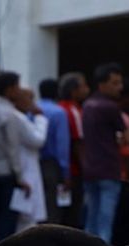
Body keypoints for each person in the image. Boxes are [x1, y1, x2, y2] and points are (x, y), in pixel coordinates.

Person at [0, 71, 30, 243]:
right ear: (9, 89)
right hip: (6, 173)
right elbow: (12, 148)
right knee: (6, 220)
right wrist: (20, 176)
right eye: (17, 86)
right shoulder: (10, 114)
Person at [81, 62, 125, 244]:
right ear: (102, 84)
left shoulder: (87, 105)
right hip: (108, 169)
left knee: (91, 221)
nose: (120, 87)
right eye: (115, 83)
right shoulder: (110, 107)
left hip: (90, 169)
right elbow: (127, 137)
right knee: (105, 222)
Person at [12, 87, 48, 232]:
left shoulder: (23, 117)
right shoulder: (19, 118)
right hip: (25, 170)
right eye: (29, 98)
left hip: (28, 167)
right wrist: (40, 118)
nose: (33, 103)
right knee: (26, 217)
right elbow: (37, 139)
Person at [57, 71, 90, 227]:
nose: (87, 89)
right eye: (83, 86)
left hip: (59, 170)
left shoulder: (58, 108)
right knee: (73, 215)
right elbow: (78, 143)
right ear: (74, 90)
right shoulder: (73, 111)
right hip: (73, 172)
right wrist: (86, 170)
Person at [37, 78, 71, 224]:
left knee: (36, 206)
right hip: (52, 165)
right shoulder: (58, 112)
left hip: (34, 162)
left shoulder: (32, 109)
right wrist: (65, 172)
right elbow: (62, 145)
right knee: (52, 206)